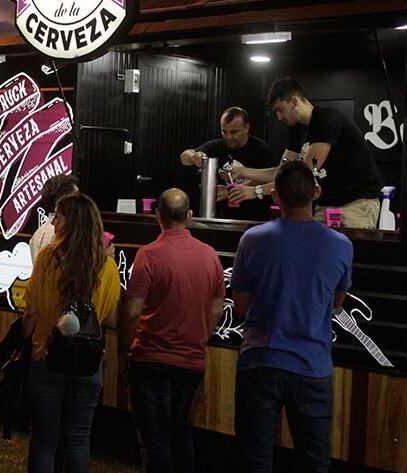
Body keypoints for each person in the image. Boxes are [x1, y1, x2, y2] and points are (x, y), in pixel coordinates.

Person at [231, 160, 352, 472]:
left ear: (275, 196)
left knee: (254, 460)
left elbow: (241, 307)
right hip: (313, 366)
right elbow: (337, 302)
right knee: (314, 462)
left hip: (260, 362)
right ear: (317, 191)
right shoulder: (341, 245)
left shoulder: (253, 239)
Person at [118, 188, 225, 473]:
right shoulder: (210, 256)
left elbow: (131, 311)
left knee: (156, 440)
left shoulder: (148, 255)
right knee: (181, 433)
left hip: (151, 359)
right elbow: (218, 306)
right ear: (190, 216)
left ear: (158, 216)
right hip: (191, 361)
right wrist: (200, 335)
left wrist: (125, 348)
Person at [21, 192, 121, 473]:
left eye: (57, 215)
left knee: (44, 439)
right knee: (78, 439)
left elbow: (32, 312)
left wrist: (23, 341)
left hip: (47, 355)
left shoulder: (47, 259)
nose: (53, 221)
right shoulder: (107, 265)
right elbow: (111, 318)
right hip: (89, 362)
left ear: (71, 221)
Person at [230, 78, 381, 228]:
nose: (279, 117)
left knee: (350, 250)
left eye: (280, 110)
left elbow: (302, 176)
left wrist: (255, 191)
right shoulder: (297, 129)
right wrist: (242, 171)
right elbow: (283, 172)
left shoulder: (325, 121)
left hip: (355, 204)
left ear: (294, 102)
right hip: (326, 204)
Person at [180, 107, 273, 221]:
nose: (228, 137)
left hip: (255, 218)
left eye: (234, 132)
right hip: (224, 218)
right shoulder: (217, 146)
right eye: (224, 131)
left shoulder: (261, 149)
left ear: (246, 128)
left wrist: (230, 191)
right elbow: (184, 157)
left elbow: (265, 178)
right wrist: (193, 156)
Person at [29, 174, 79, 261]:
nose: (80, 202)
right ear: (64, 200)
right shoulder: (63, 233)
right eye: (76, 197)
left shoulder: (38, 234)